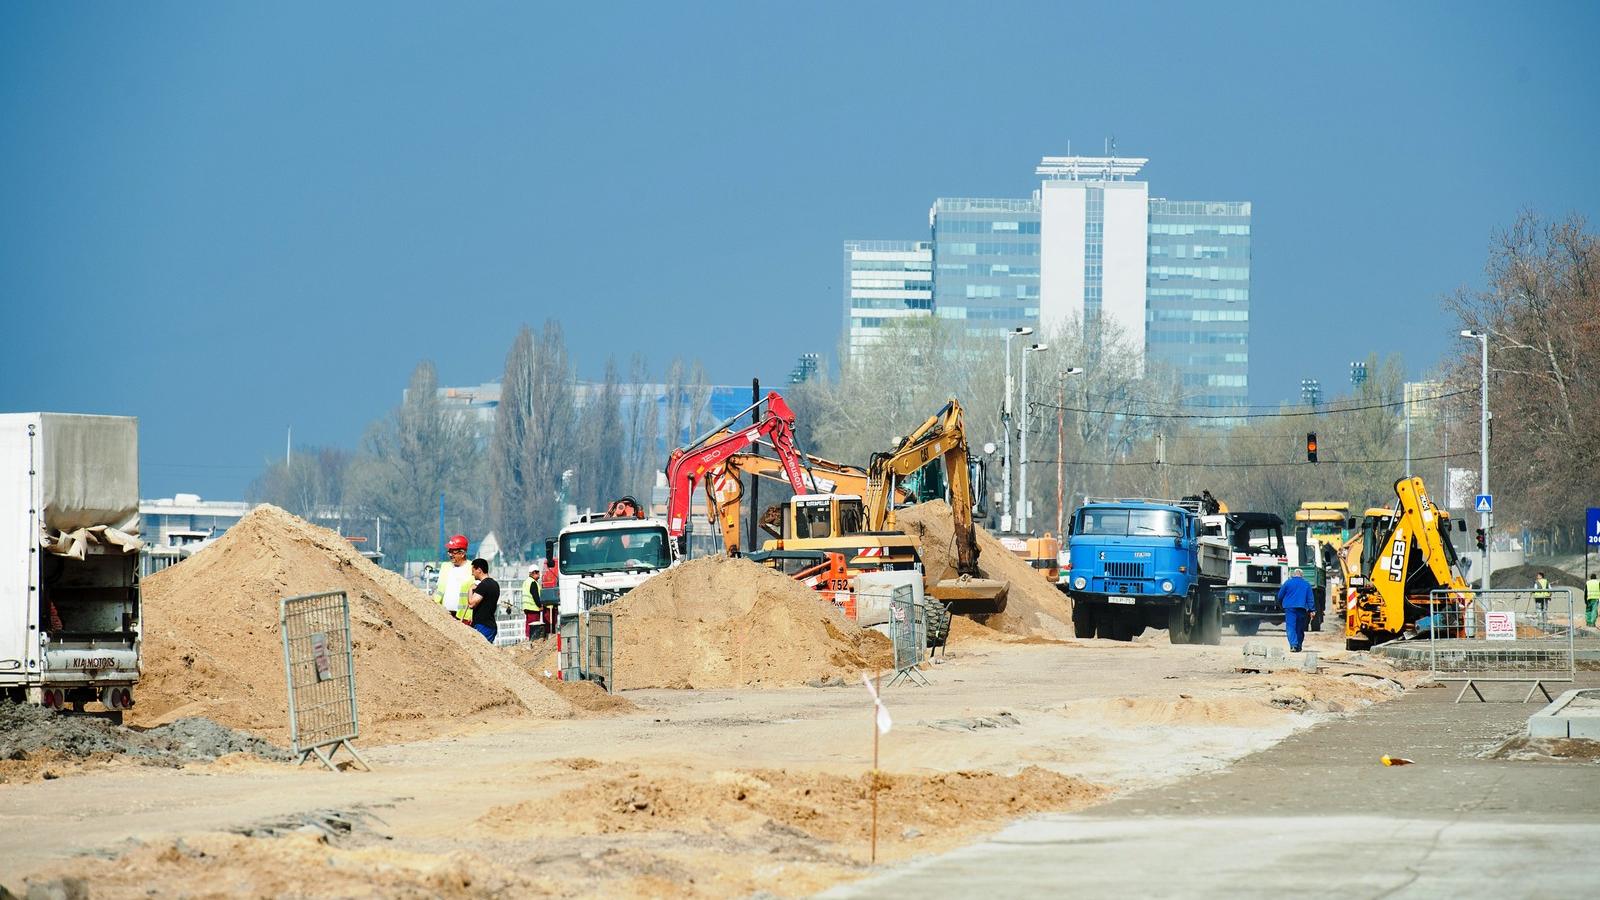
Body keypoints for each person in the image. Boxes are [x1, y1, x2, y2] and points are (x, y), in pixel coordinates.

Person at [433, 534, 475, 624]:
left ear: (462, 553)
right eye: (449, 551)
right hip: (444, 614)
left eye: (453, 552)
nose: (450, 555)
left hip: (463, 617)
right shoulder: (445, 567)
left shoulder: (472, 568)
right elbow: (438, 590)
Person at [1276, 567, 1315, 653]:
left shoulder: (1287, 583)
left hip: (1290, 608)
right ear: (1302, 576)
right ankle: (1299, 645)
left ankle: (1293, 645)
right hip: (1302, 608)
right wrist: (1312, 610)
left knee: (1290, 626)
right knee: (1299, 627)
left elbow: (1280, 595)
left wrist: (1280, 604)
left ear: (1293, 575)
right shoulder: (1306, 584)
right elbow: (1310, 598)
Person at [467, 558, 500, 643]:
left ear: (479, 570)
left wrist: (470, 589)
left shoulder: (483, 585)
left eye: (473, 571)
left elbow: (471, 604)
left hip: (482, 626)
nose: (472, 574)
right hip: (491, 625)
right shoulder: (495, 584)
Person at [522, 562, 542, 640]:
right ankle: (533, 639)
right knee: (534, 625)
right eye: (538, 572)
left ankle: (527, 638)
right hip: (533, 608)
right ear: (533, 573)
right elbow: (535, 596)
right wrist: (540, 606)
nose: (539, 574)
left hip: (527, 608)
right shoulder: (533, 583)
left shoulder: (526, 581)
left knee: (528, 624)